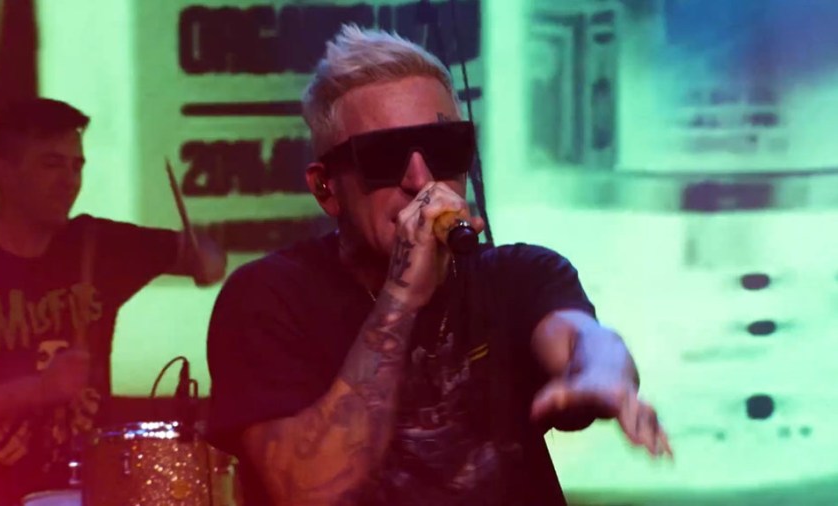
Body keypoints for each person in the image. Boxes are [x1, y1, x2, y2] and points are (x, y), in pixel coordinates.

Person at [206, 25, 672, 506]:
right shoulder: (269, 297)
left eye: (444, 149)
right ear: (327, 188)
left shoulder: (517, 274)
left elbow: (582, 339)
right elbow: (307, 489)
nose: (421, 179)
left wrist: (602, 375)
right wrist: (401, 298)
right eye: (386, 157)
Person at [0, 97, 226, 506]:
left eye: (77, 166)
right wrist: (37, 390)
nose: (70, 181)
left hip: (87, 490)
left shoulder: (95, 244)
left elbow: (204, 255)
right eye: (52, 164)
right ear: (2, 173)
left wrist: (206, 259)